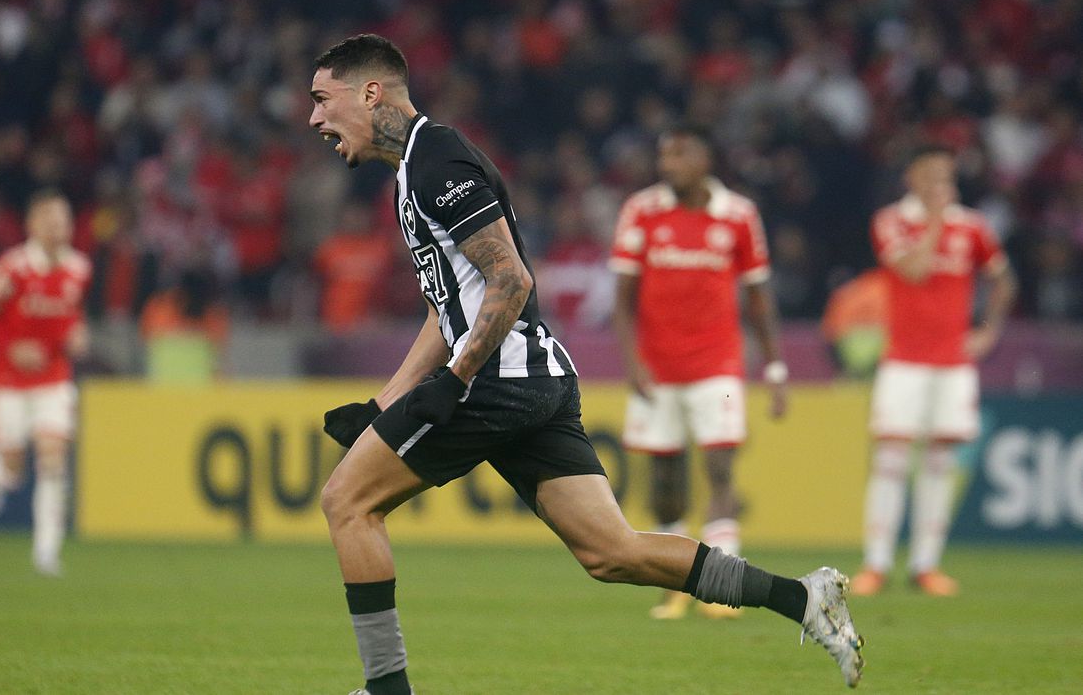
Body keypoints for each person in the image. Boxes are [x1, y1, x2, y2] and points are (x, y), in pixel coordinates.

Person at [309, 34, 864, 695]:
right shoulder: (414, 171)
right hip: (533, 376)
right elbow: (448, 302)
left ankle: (386, 690)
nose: (315, 118)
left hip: (498, 380)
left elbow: (510, 281)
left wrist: (454, 382)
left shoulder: (437, 165)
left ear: (371, 93)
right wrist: (388, 401)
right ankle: (804, 599)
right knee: (614, 553)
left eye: (322, 99)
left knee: (347, 501)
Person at [610, 126, 788, 620]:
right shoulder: (641, 210)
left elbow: (759, 297)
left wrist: (774, 367)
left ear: (707, 157)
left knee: (720, 468)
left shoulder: (739, 215)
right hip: (657, 368)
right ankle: (679, 584)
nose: (668, 163)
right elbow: (622, 299)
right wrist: (632, 364)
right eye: (664, 154)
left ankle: (727, 583)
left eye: (680, 153)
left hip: (718, 366)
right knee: (666, 478)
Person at [851, 145, 1017, 597]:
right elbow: (916, 270)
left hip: (953, 363)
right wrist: (936, 221)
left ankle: (926, 565)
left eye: (946, 176)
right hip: (903, 360)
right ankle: (876, 564)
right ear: (912, 177)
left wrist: (987, 332)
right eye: (931, 176)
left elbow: (1004, 278)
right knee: (891, 461)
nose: (939, 186)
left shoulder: (974, 226)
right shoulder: (891, 221)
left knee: (939, 464)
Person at [0, 188, 92, 577]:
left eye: (64, 221)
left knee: (53, 460)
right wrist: (12, 345)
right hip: (9, 380)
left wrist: (78, 333)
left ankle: (46, 552)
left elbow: (69, 314)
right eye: (51, 221)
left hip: (54, 378)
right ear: (33, 225)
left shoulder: (79, 267)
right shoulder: (14, 267)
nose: (59, 228)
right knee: (13, 470)